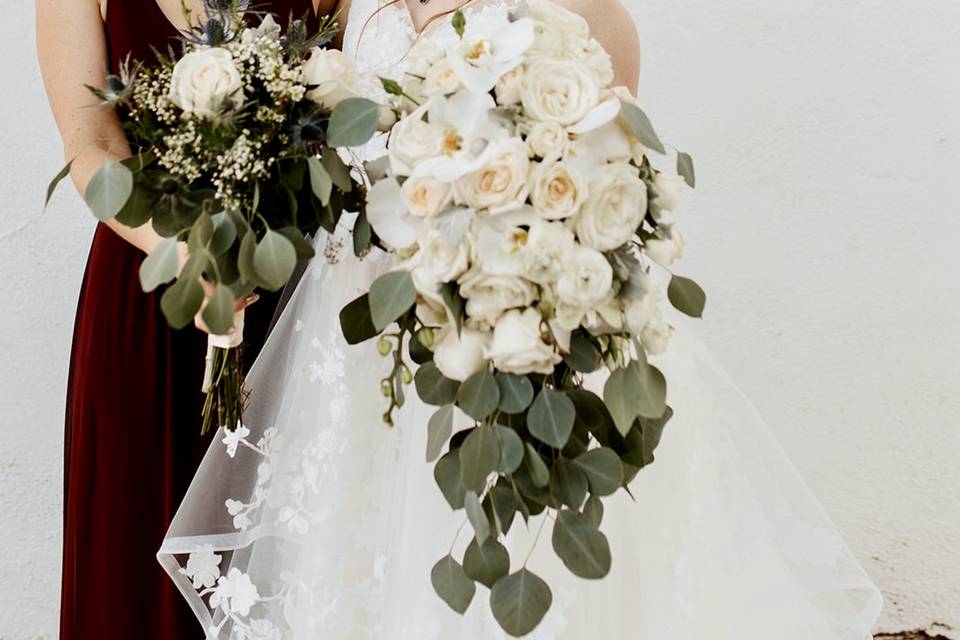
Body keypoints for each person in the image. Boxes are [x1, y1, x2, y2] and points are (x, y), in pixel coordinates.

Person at [159, 0, 884, 637]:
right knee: (368, 566)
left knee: (508, 546)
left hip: (510, 331)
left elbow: (611, 178)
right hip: (366, 346)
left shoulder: (574, 6)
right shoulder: (348, 8)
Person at [35, 0, 336, 636]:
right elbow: (89, 146)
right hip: (144, 295)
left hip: (281, 298)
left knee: (273, 561)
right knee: (132, 555)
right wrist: (183, 253)